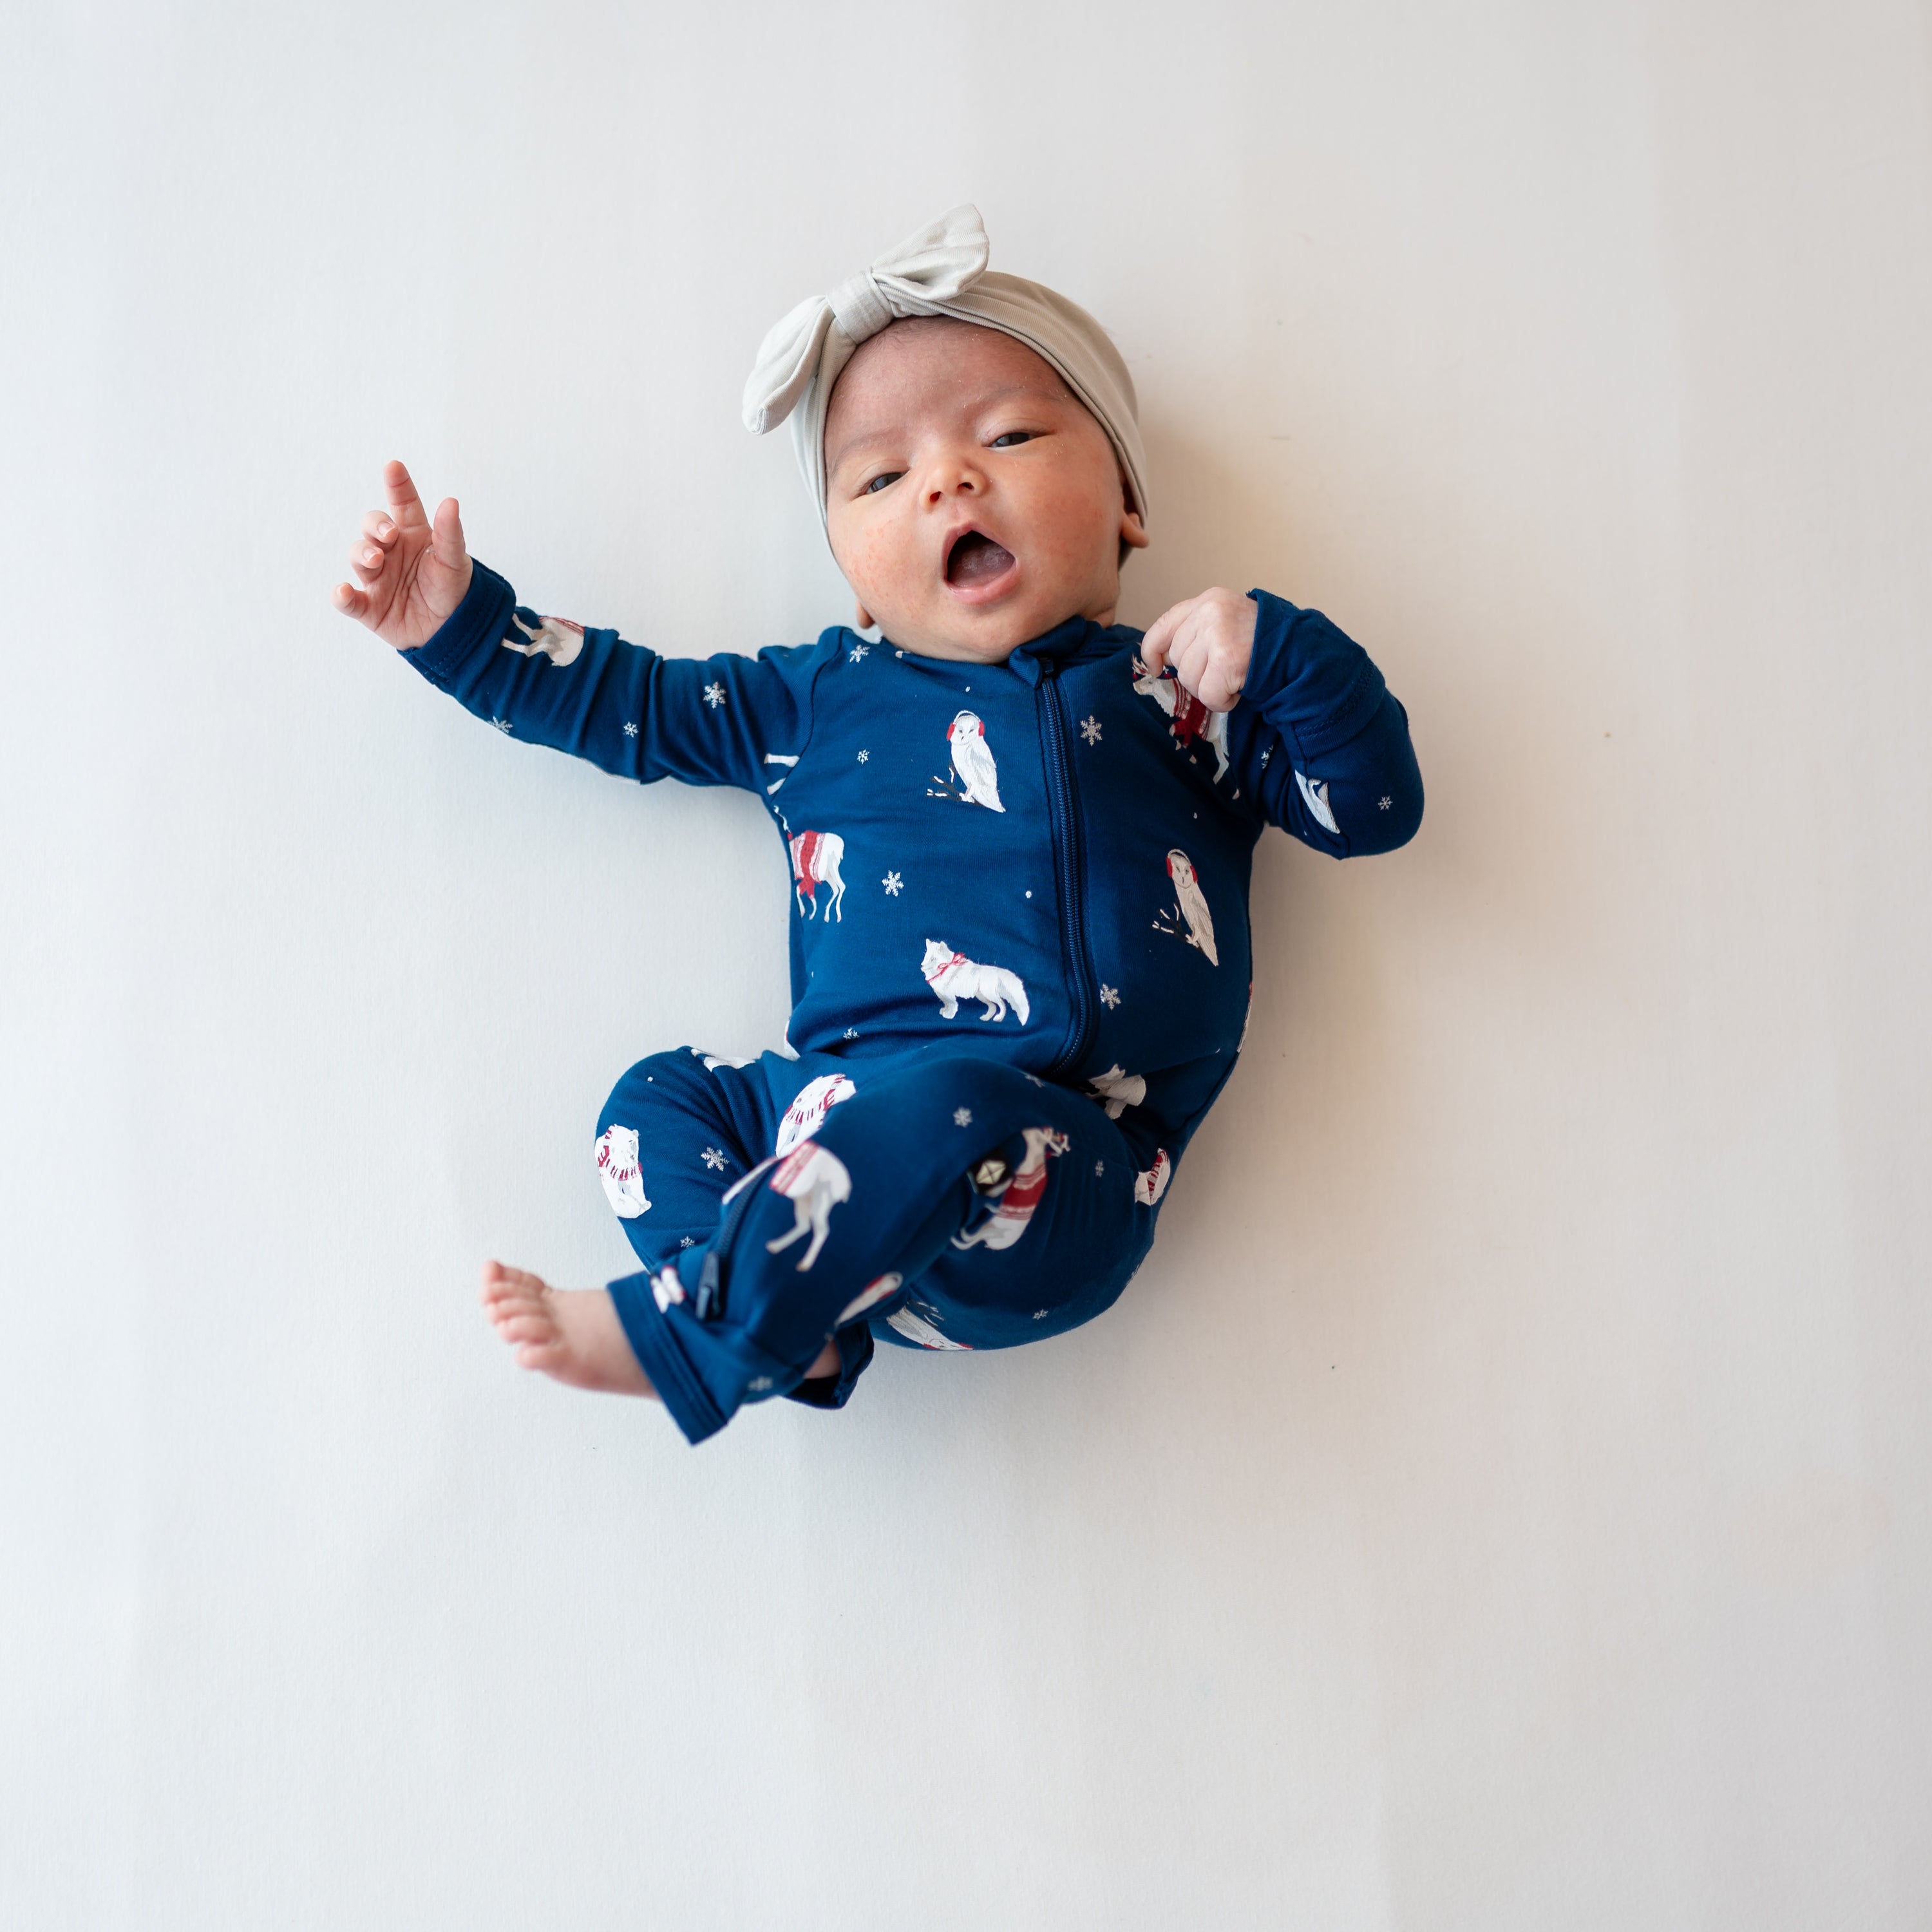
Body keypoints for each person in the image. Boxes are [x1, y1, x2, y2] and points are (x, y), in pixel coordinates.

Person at [331, 207, 1423, 1445]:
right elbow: (626, 703)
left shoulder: (1183, 699)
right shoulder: (815, 700)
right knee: (654, 1106)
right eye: (882, 477)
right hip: (824, 1142)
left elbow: (1374, 808)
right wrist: (459, 628)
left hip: (1057, 1176)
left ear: (1126, 500)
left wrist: (1278, 651)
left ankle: (712, 1326)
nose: (949, 479)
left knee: (957, 1102)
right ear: (854, 575)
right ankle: (785, 1329)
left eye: (1009, 435)